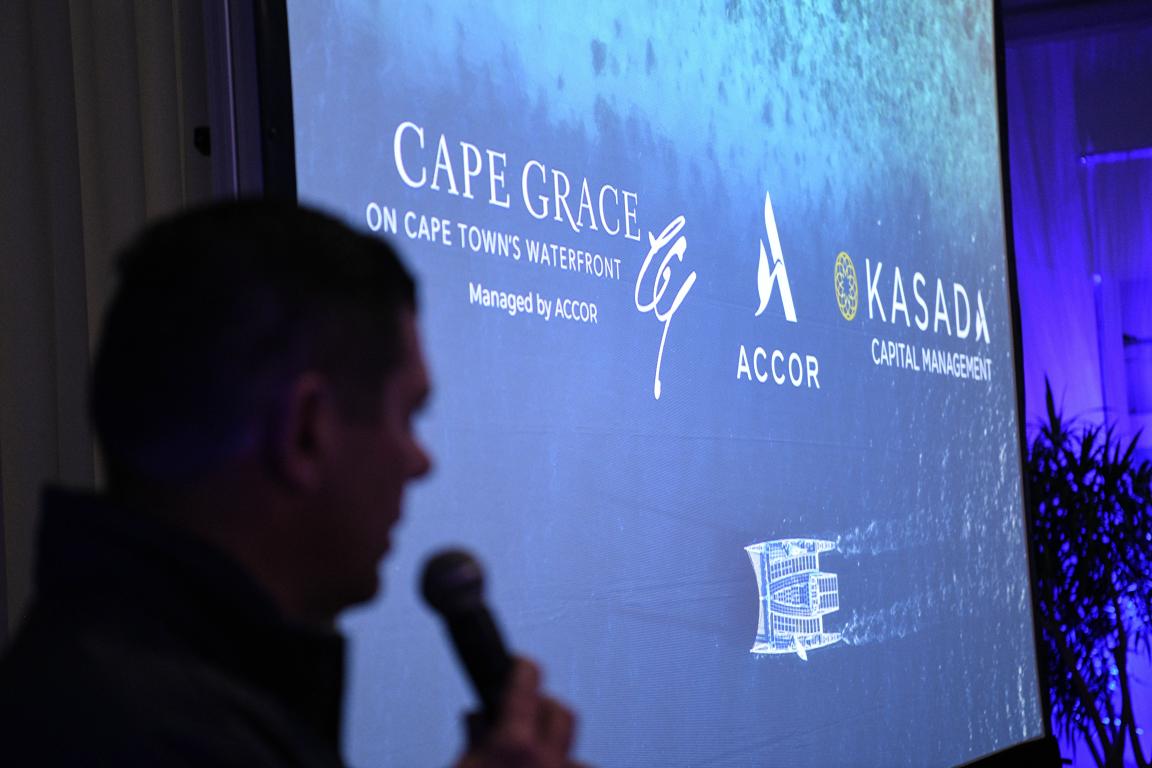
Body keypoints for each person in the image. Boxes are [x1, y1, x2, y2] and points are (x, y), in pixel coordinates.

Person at [0, 201, 579, 767]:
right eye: (407, 416)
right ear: (306, 431)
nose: (420, 462)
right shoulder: (156, 738)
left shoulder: (95, 687)